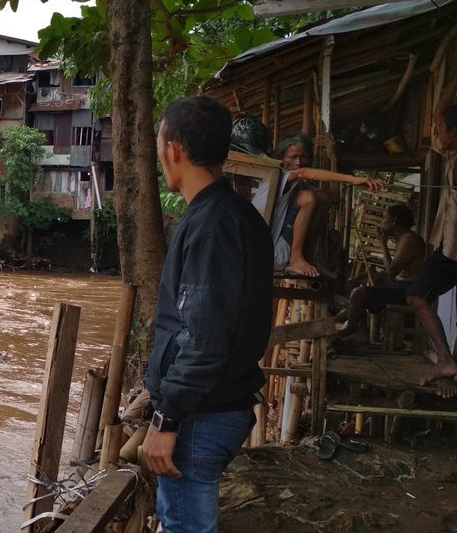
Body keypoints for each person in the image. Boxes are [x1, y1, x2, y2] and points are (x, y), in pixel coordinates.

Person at [142, 96, 273, 533]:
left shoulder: (211, 224)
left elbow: (204, 338)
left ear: (174, 149)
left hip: (202, 413)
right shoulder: (237, 214)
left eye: (159, 146)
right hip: (219, 402)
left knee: (186, 527)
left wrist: (167, 419)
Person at [270, 134, 385, 277]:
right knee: (308, 198)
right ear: (281, 158)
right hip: (275, 252)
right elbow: (302, 173)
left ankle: (308, 258)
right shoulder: (279, 176)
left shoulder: (300, 185)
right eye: (293, 157)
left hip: (280, 251)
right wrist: (353, 179)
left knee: (322, 198)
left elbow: (333, 198)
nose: (298, 162)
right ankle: (296, 259)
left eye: (303, 157)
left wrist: (333, 159)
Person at [408, 75, 457, 398]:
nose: (437, 134)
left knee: (417, 295)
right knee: (418, 295)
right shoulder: (451, 153)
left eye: (441, 131)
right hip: (450, 247)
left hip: (454, 250)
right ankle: (447, 364)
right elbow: (439, 116)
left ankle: (447, 363)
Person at [332, 204, 425, 345]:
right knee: (363, 289)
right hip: (402, 287)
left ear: (393, 221)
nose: (381, 223)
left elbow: (392, 271)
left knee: (358, 293)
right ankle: (361, 331)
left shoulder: (409, 239)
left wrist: (383, 243)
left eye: (384, 219)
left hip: (409, 291)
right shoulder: (404, 239)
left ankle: (350, 329)